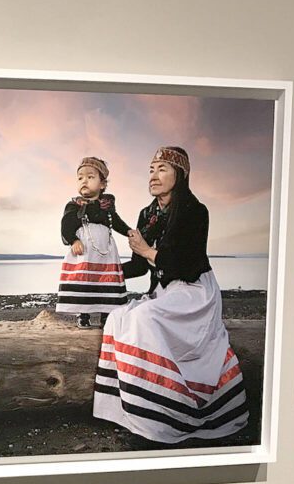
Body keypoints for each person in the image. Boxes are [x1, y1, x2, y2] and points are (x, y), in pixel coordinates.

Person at [93, 146, 249, 442]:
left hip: (194, 292)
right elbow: (140, 266)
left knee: (142, 317)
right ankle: (132, 409)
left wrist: (148, 250)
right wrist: (111, 273)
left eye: (162, 169)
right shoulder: (147, 214)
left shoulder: (195, 211)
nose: (154, 175)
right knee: (117, 317)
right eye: (151, 169)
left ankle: (166, 415)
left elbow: (186, 265)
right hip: (165, 291)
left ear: (181, 174)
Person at [55, 157, 133, 328]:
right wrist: (73, 240)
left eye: (90, 177)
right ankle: (83, 314)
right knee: (85, 279)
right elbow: (66, 224)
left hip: (105, 250)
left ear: (102, 184)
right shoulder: (74, 205)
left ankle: (107, 314)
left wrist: (128, 231)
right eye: (80, 177)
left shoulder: (107, 205)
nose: (84, 181)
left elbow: (116, 221)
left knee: (106, 280)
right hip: (84, 250)